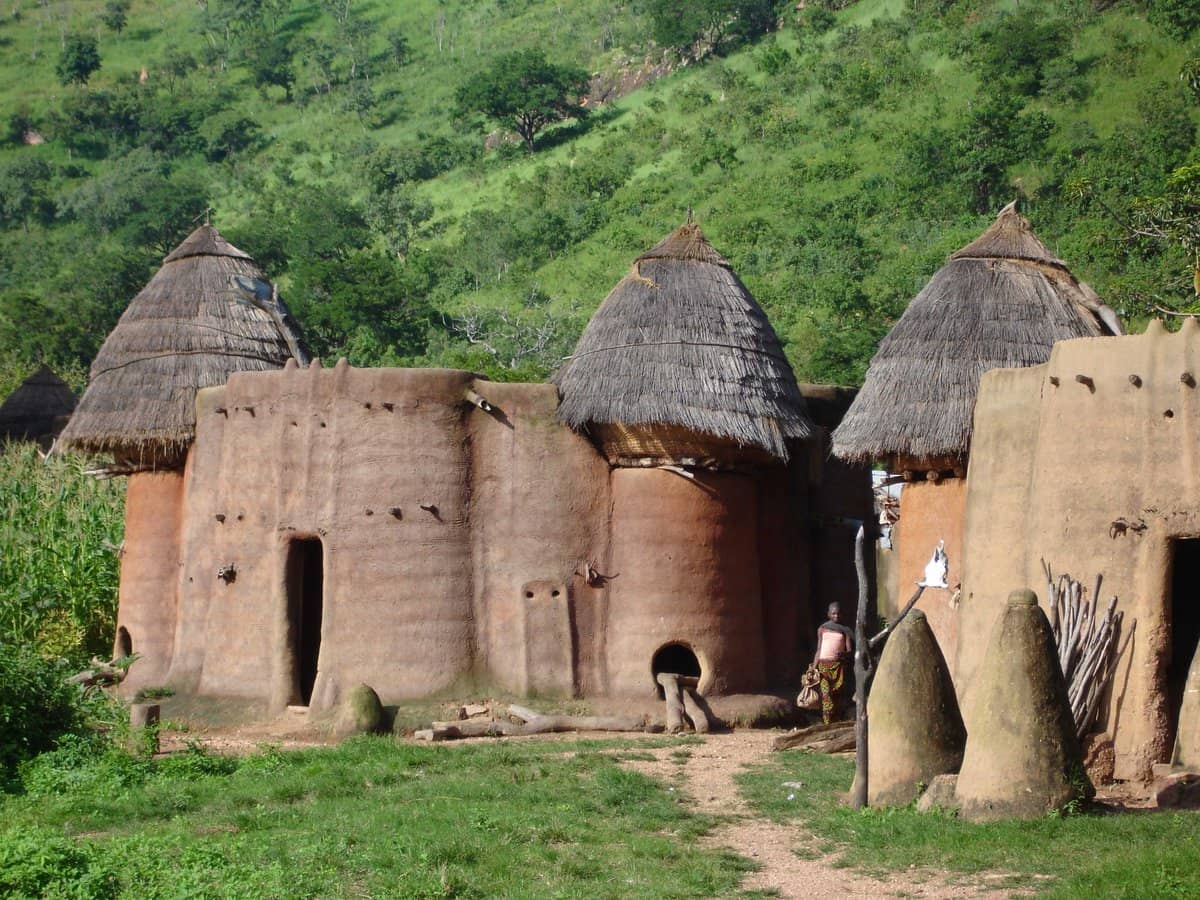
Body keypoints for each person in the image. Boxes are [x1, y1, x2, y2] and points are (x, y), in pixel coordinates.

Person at [812, 602, 855, 724]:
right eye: (833, 613)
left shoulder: (845, 631)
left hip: (838, 668)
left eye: (838, 613)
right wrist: (813, 668)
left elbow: (850, 651)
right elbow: (819, 649)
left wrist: (844, 654)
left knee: (836, 696)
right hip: (823, 668)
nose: (836, 615)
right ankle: (826, 723)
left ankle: (834, 722)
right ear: (828, 614)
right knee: (826, 696)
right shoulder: (822, 629)